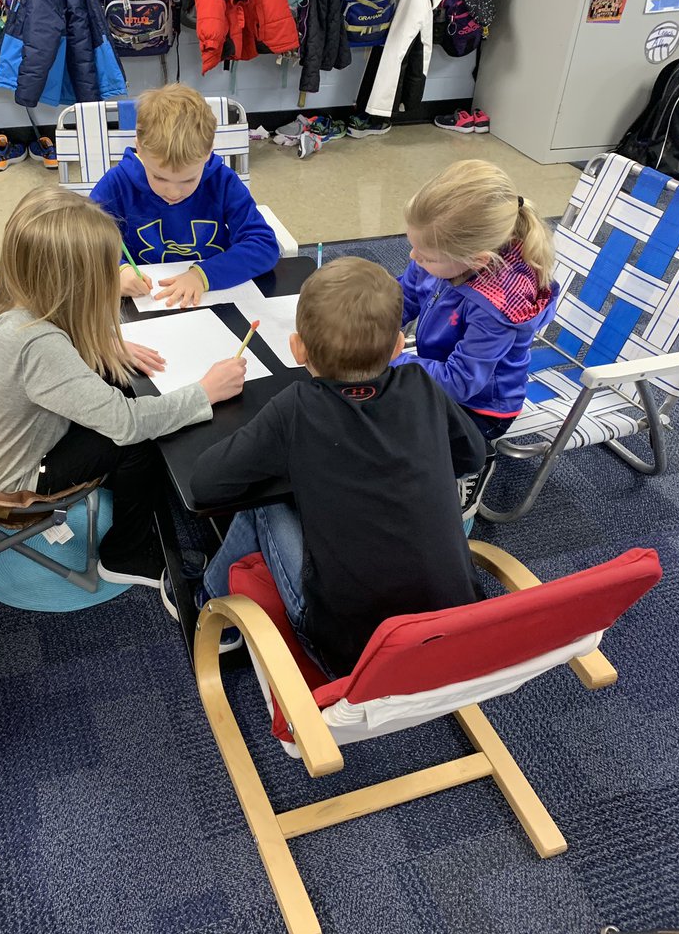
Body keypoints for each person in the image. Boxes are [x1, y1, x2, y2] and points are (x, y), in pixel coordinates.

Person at [190, 257, 487, 679]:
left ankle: (208, 595)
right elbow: (471, 458)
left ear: (297, 349)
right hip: (457, 633)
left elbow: (204, 484)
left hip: (349, 653)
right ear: (399, 348)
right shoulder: (422, 385)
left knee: (263, 500)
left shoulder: (295, 408)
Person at [0, 186, 246, 590]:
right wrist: (206, 391)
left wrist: (96, 343)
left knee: (116, 377)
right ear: (72, 281)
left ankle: (129, 486)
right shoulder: (39, 345)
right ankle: (126, 554)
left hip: (15, 443)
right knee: (136, 442)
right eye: (104, 271)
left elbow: (55, 361)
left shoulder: (18, 307)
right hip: (16, 481)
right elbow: (126, 424)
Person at [395, 159, 557, 444]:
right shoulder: (439, 251)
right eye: (413, 246)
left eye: (426, 256)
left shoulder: (494, 307)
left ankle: (465, 472)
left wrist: (390, 360)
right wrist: (366, 324)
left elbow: (459, 383)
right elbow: (404, 296)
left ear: (477, 259)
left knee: (393, 440)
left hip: (480, 410)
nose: (413, 257)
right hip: (439, 371)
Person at [89, 83, 280, 309]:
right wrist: (116, 270)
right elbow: (83, 245)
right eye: (159, 178)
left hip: (211, 298)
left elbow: (264, 245)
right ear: (139, 147)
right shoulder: (117, 184)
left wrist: (202, 275)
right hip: (144, 302)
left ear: (208, 153)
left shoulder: (223, 181)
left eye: (189, 180)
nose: (173, 192)